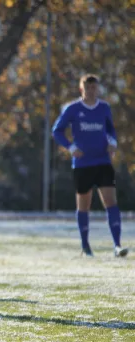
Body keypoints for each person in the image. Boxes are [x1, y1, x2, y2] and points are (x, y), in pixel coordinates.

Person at [52, 74, 128, 258]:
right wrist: (71, 147)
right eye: (87, 88)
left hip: (102, 161)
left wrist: (112, 143)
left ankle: (117, 246)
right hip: (82, 163)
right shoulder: (73, 109)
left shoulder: (104, 108)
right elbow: (57, 131)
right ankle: (86, 247)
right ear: (81, 89)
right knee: (83, 205)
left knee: (111, 202)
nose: (91, 91)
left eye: (94, 88)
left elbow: (110, 130)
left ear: (98, 89)